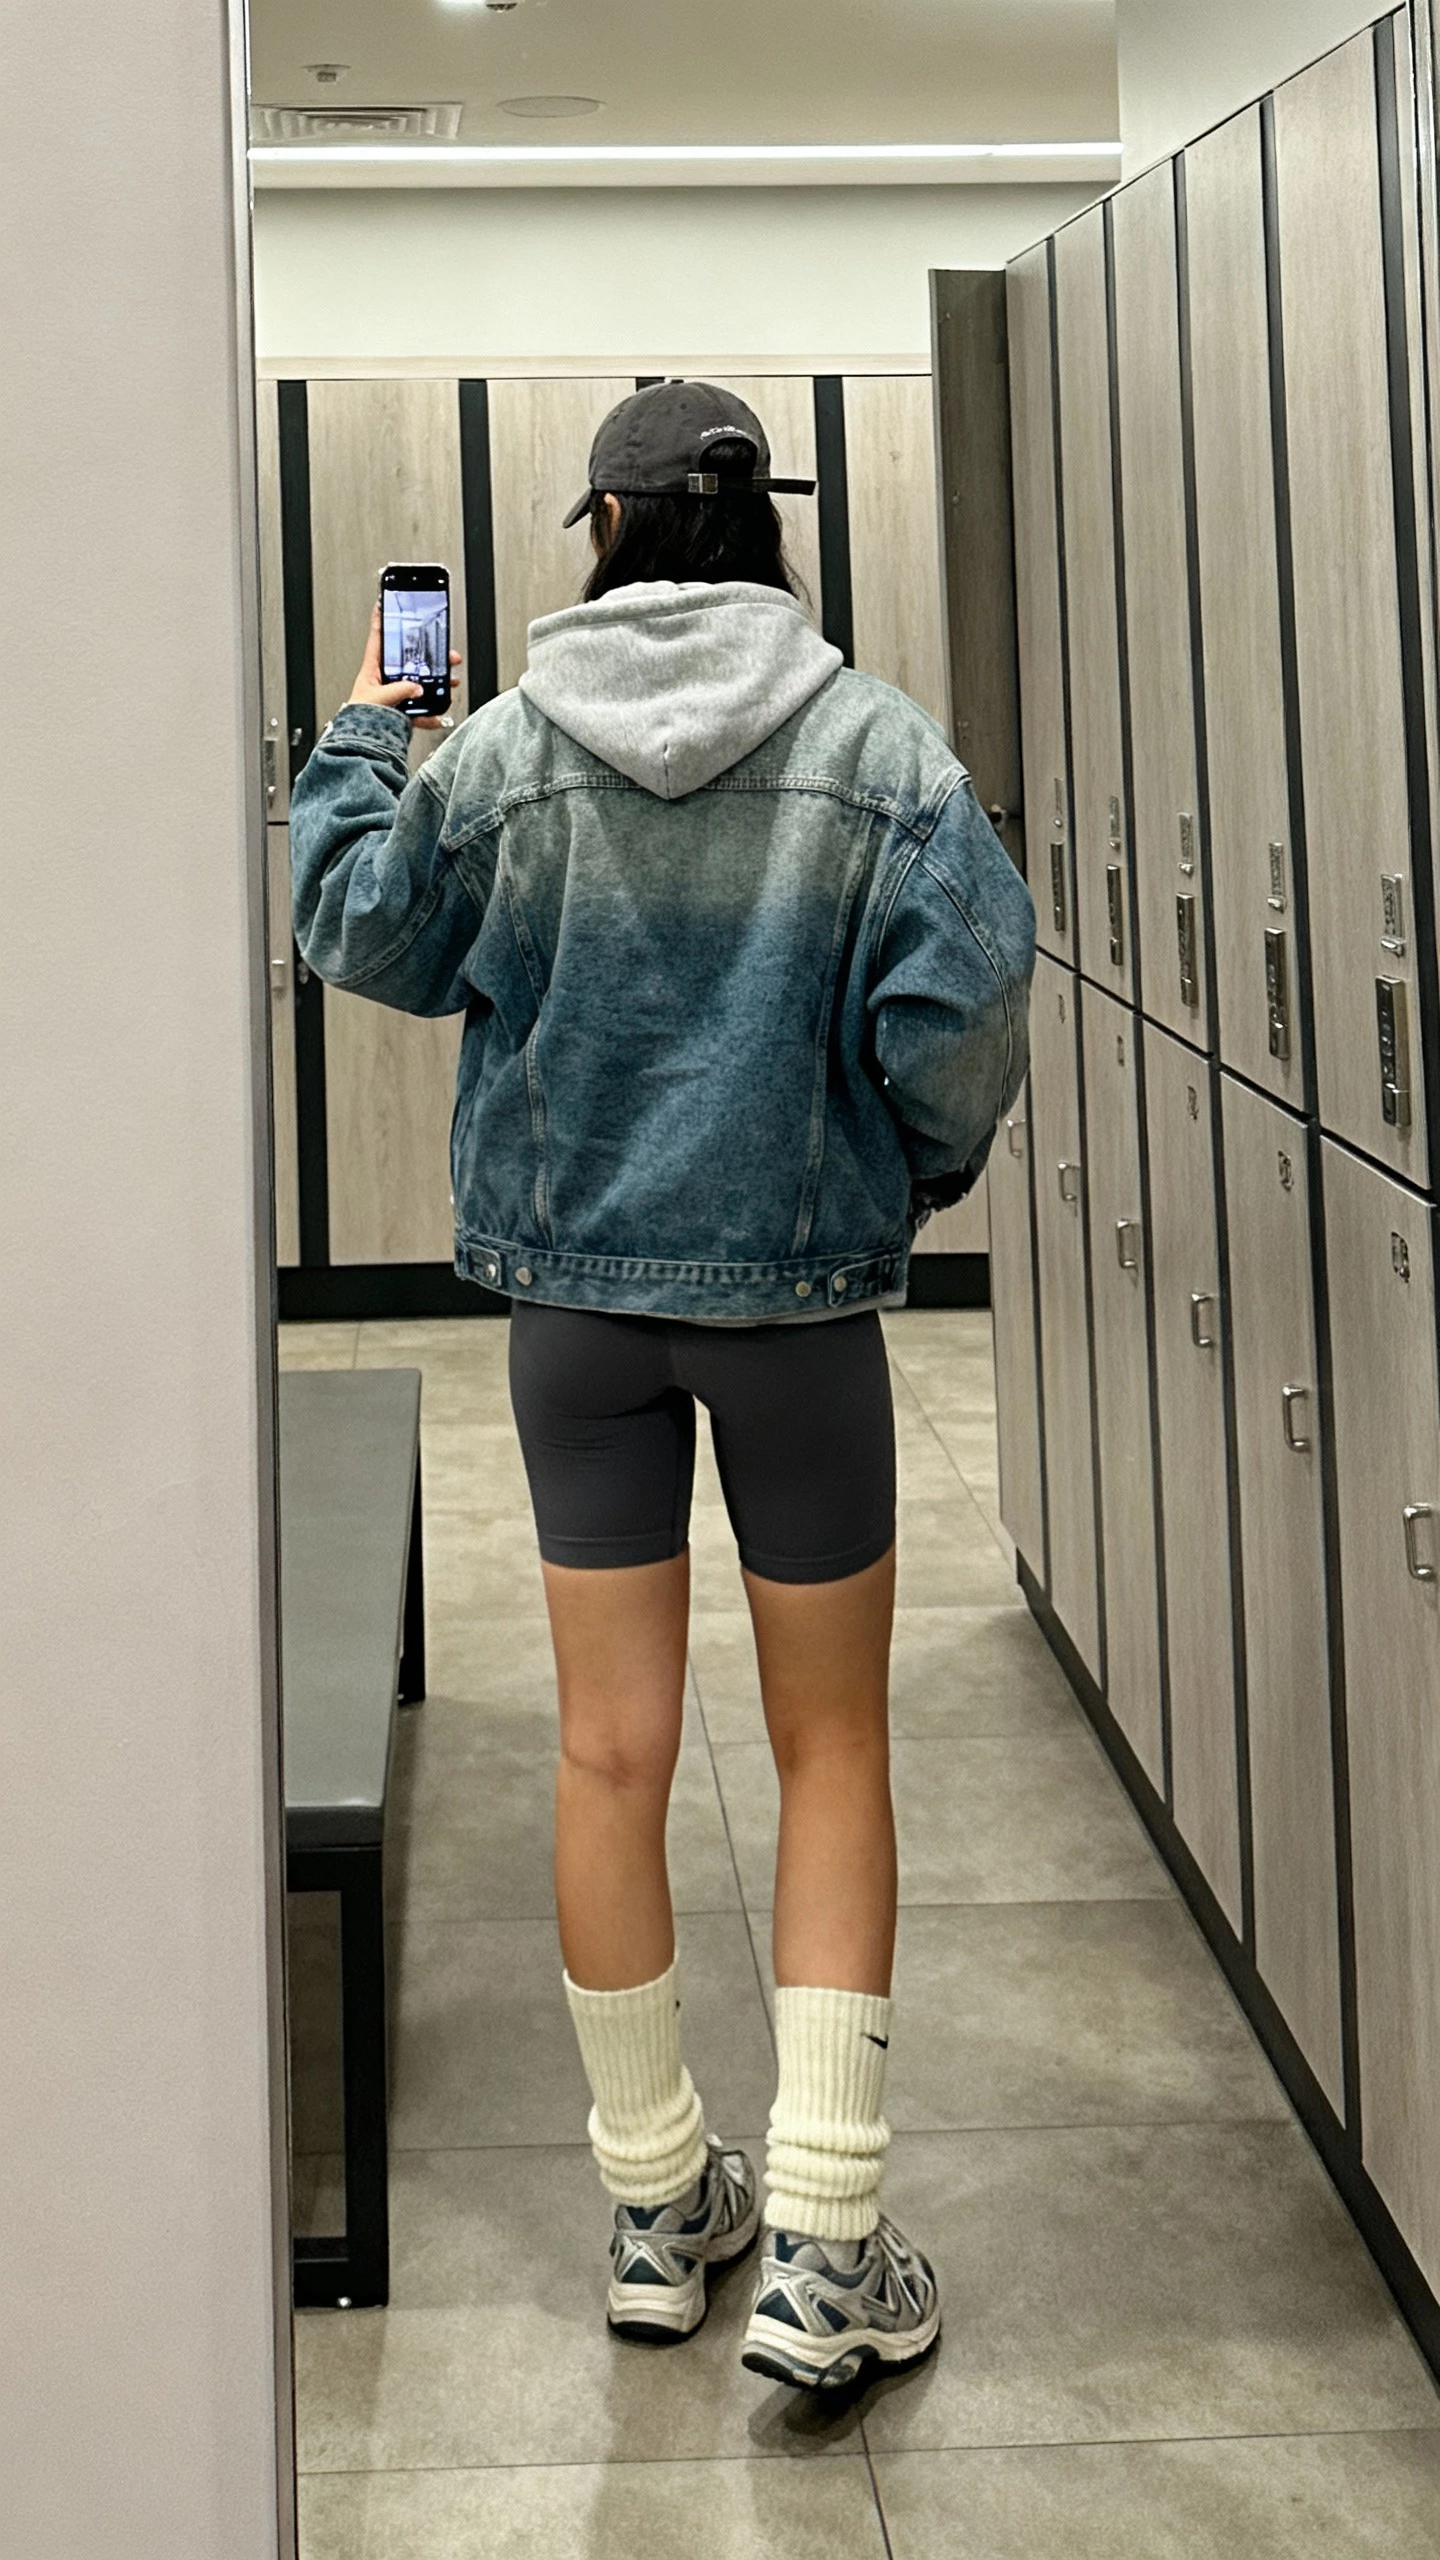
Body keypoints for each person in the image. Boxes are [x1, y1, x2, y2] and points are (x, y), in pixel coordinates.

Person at [290, 380, 1036, 2392]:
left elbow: (360, 920)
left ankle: (652, 2207)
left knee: (610, 1752)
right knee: (834, 1754)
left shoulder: (511, 748)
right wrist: (895, 1167)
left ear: (603, 531)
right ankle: (821, 2246)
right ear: (761, 530)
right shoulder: (876, 747)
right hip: (798, 1319)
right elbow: (963, 1006)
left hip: (576, 1321)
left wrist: (373, 723)